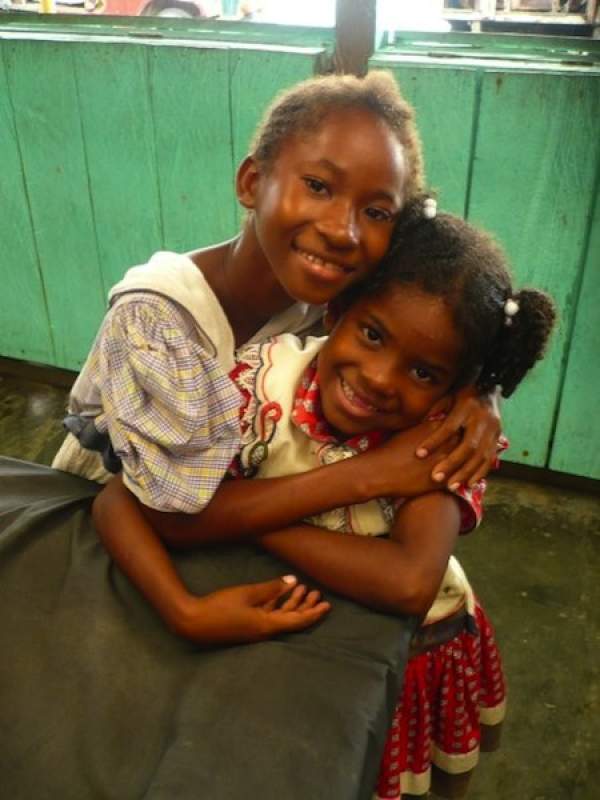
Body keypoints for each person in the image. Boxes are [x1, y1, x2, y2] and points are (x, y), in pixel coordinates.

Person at [94, 200, 556, 797]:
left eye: (424, 373)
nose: (380, 378)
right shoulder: (256, 383)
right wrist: (363, 478)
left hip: (411, 661)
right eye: (371, 333)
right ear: (339, 308)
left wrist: (239, 513)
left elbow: (410, 581)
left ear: (458, 387)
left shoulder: (442, 437)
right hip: (293, 658)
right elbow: (120, 501)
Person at [53, 71, 502, 644]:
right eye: (318, 185)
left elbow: (452, 305)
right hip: (118, 525)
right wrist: (368, 476)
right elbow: (173, 511)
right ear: (251, 181)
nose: (344, 230)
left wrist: (483, 390)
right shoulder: (157, 321)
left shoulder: (343, 293)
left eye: (377, 212)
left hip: (236, 521)